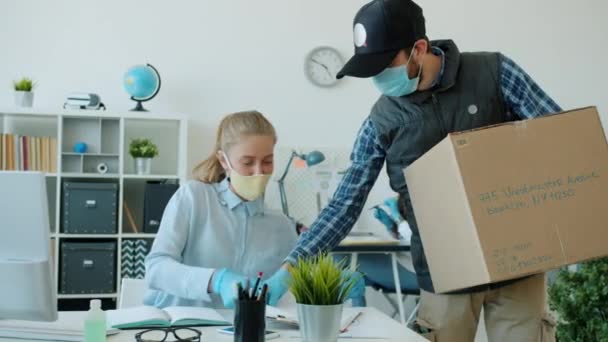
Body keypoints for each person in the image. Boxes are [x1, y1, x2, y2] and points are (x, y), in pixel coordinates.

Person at [262, 0, 560, 340]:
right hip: (444, 273)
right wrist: (292, 266)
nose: (377, 78)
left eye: (384, 65)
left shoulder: (495, 72)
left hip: (519, 264)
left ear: (419, 48)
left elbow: (559, 141)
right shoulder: (380, 122)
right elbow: (344, 205)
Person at [143, 110, 365, 309]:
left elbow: (287, 285)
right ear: (223, 160)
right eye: (247, 162)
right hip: (179, 330)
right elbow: (157, 269)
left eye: (267, 161)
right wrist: (217, 280)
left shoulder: (281, 225)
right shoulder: (193, 198)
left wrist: (332, 283)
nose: (259, 171)